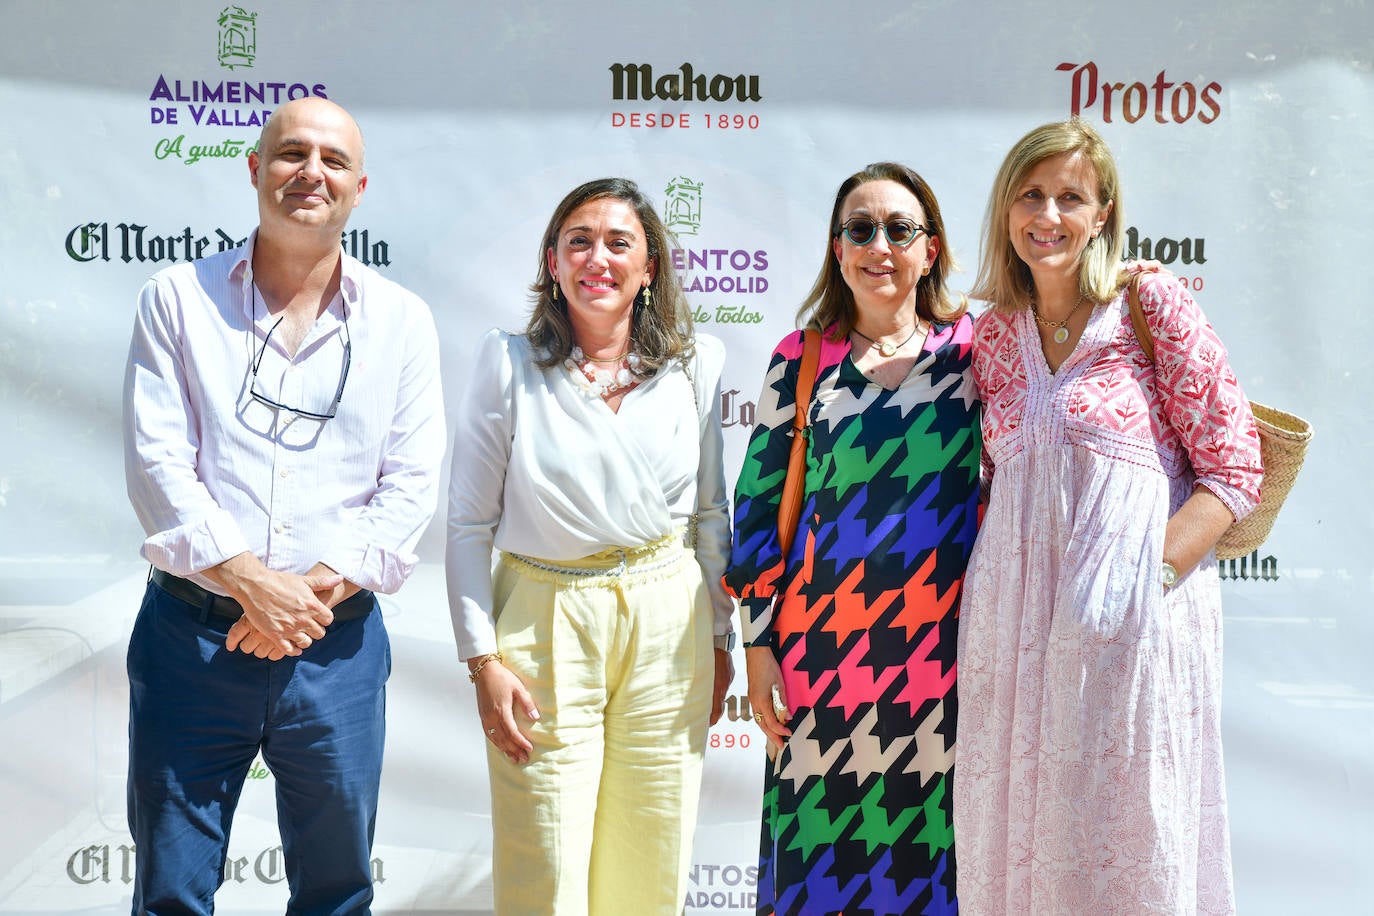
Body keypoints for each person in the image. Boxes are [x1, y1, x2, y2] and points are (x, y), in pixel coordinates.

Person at [122, 97, 445, 914]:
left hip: (334, 651)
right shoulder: (178, 298)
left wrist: (305, 596)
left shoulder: (403, 322)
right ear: (255, 170)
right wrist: (249, 581)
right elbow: (159, 460)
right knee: (171, 890)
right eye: (291, 154)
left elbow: (410, 481)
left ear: (359, 186)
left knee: (337, 892)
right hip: (192, 642)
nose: (312, 173)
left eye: (333, 161)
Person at [953, 118, 1263, 915]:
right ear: (1005, 209)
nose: (1047, 215)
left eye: (1070, 197)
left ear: (1103, 212)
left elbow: (1233, 469)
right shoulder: (991, 336)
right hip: (1014, 634)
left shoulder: (1147, 303)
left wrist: (1144, 582)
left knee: (1129, 828)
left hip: (1133, 626)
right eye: (1031, 194)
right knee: (1018, 835)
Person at [445, 177, 736, 916]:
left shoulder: (697, 366)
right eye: (579, 241)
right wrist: (482, 659)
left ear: (650, 270)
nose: (596, 258)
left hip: (669, 624)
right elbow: (467, 526)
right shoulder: (508, 364)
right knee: (544, 859)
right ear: (551, 262)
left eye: (619, 244)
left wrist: (719, 636)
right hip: (543, 620)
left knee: (654, 850)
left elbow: (709, 514)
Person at [723, 163, 981, 916]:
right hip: (823, 666)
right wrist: (758, 644)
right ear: (837, 250)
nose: (879, 245)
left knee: (931, 866)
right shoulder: (801, 363)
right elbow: (757, 514)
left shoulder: (975, 354)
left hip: (942, 664)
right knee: (817, 873)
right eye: (859, 230)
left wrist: (1131, 285)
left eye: (899, 229)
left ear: (929, 248)